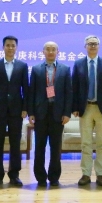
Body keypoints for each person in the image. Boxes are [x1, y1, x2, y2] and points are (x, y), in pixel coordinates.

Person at [0, 35, 29, 187]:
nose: (10, 48)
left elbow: (26, 88)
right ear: (3, 47)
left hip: (17, 110)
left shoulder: (22, 66)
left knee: (15, 143)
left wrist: (25, 108)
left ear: (16, 48)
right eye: (7, 45)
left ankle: (14, 175)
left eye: (13, 45)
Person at [72, 35, 102, 187]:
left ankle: (101, 174)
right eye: (90, 44)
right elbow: (74, 87)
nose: (92, 46)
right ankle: (85, 174)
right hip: (85, 109)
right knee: (86, 143)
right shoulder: (78, 64)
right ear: (85, 46)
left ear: (99, 46)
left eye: (95, 44)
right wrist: (74, 107)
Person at [28, 41, 72, 187]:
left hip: (58, 114)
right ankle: (40, 177)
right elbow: (32, 92)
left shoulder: (65, 69)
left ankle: (54, 177)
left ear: (58, 52)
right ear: (43, 52)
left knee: (56, 148)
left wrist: (67, 113)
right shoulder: (36, 69)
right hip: (40, 113)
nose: (51, 52)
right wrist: (31, 112)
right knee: (39, 147)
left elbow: (68, 92)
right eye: (48, 49)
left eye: (53, 49)